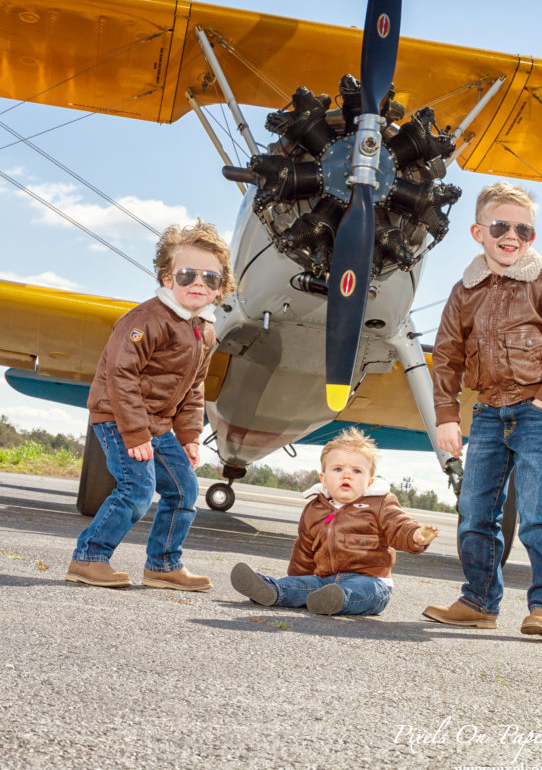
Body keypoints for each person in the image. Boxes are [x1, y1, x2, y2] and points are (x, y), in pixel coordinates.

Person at [422, 182, 542, 636]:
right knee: (475, 512)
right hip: (489, 414)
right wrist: (446, 416)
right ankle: (479, 601)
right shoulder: (463, 292)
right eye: (501, 225)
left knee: (539, 514)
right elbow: (447, 355)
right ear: (478, 231)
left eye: (524, 229)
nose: (512, 235)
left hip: (536, 414)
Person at [66, 219, 235, 591]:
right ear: (165, 278)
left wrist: (190, 436)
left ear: (222, 289)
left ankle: (162, 565)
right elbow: (119, 374)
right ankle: (89, 558)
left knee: (185, 491)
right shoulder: (146, 319)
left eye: (211, 278)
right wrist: (135, 431)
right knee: (137, 489)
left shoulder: (205, 330)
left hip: (158, 425)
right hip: (118, 418)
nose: (198, 284)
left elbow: (194, 387)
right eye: (188, 274)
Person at [230, 427, 439, 615]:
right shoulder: (315, 509)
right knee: (303, 586)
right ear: (323, 478)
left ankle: (336, 600)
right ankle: (272, 590)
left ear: (370, 481)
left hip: (371, 582)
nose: (346, 475)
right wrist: (297, 580)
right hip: (324, 580)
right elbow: (304, 550)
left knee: (361, 591)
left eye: (356, 471)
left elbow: (399, 525)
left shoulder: (380, 503)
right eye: (338, 469)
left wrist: (415, 535)